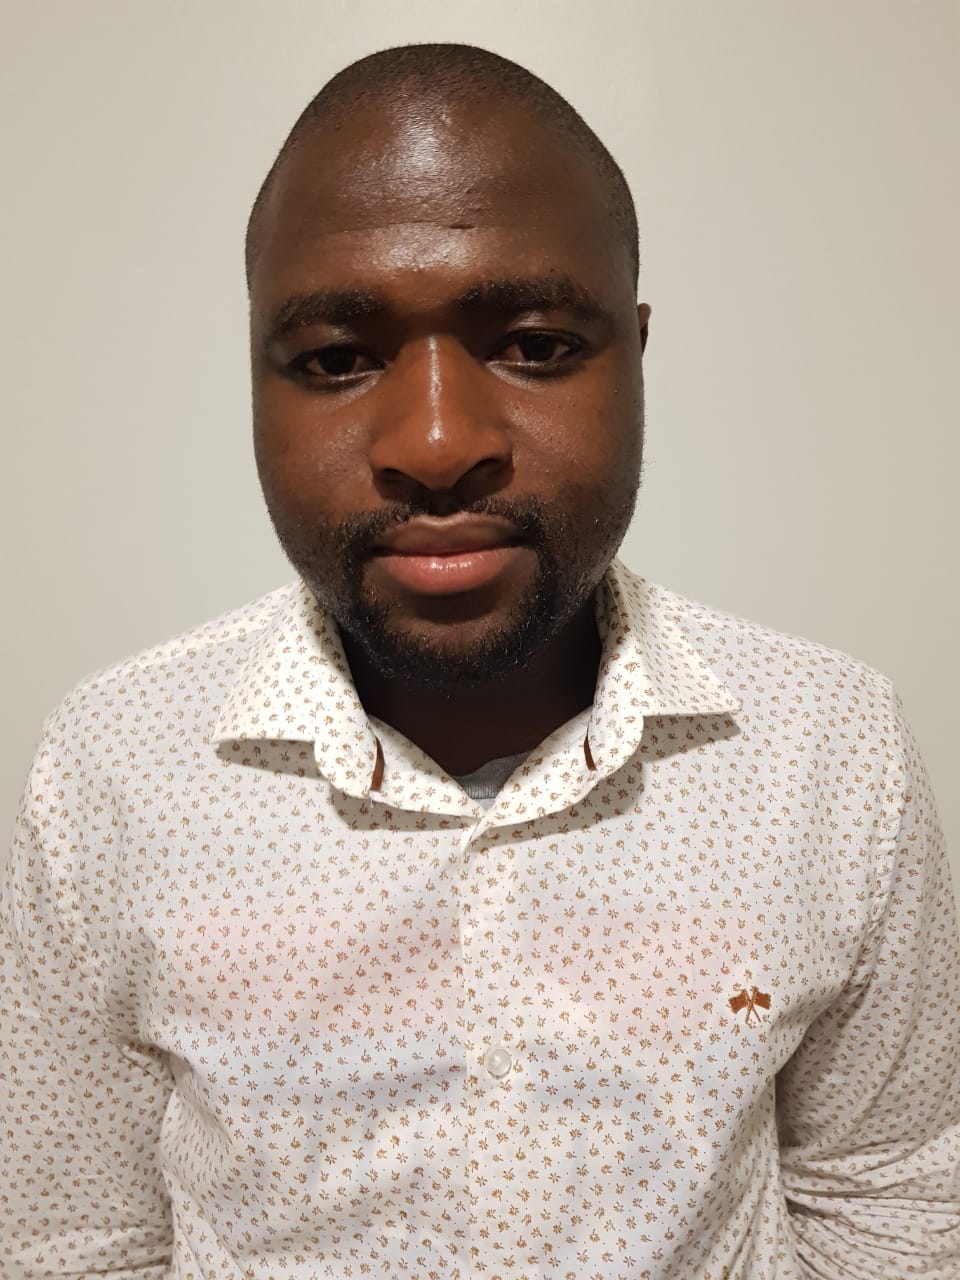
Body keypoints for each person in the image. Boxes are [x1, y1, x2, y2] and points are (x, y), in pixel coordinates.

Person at [1, 42, 957, 1280]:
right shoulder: (116, 767)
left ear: (637, 354)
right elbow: (75, 1239)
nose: (439, 442)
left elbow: (894, 1201)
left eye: (536, 343)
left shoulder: (830, 747)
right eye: (336, 358)